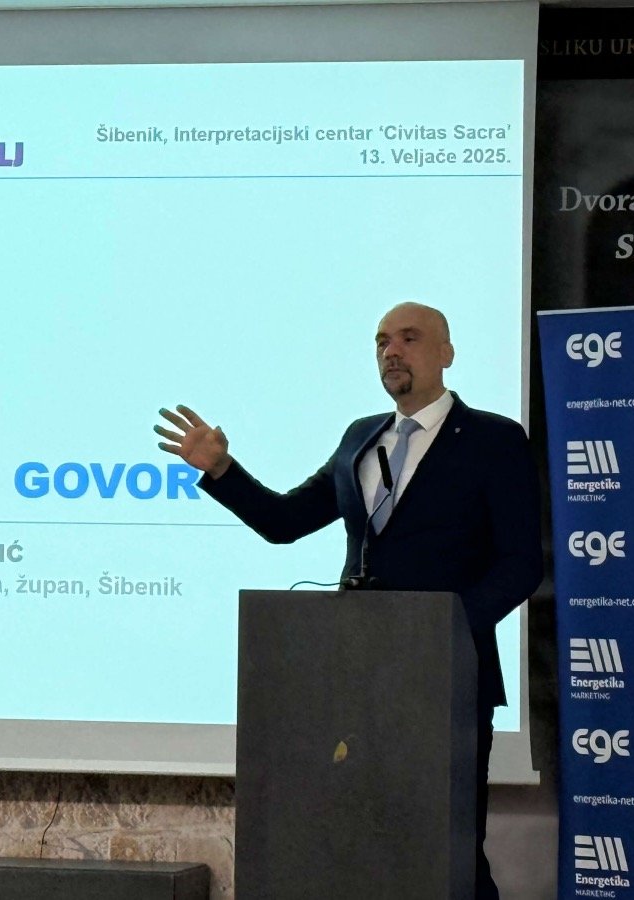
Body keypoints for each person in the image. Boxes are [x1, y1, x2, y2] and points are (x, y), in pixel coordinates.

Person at [154, 301, 542, 900]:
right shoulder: (362, 437)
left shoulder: (494, 439)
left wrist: (442, 631)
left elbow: (520, 565)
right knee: (361, 848)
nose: (392, 351)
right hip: (354, 681)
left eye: (409, 338)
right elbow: (284, 522)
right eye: (382, 341)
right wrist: (222, 469)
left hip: (446, 681)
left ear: (446, 353)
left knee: (450, 856)